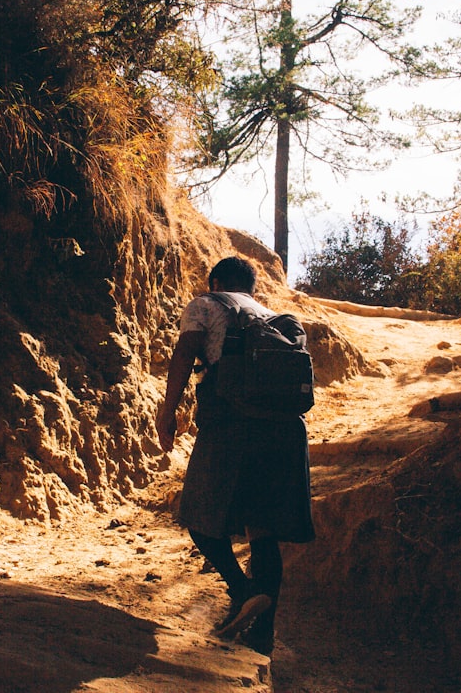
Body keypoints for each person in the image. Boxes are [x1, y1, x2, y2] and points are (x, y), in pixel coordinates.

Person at [156, 256, 315, 656]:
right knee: (261, 529)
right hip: (283, 432)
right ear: (252, 288)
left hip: (230, 426)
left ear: (214, 281)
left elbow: (183, 355)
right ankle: (263, 634)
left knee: (198, 517)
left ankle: (243, 590)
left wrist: (167, 411)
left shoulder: (206, 304)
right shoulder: (276, 317)